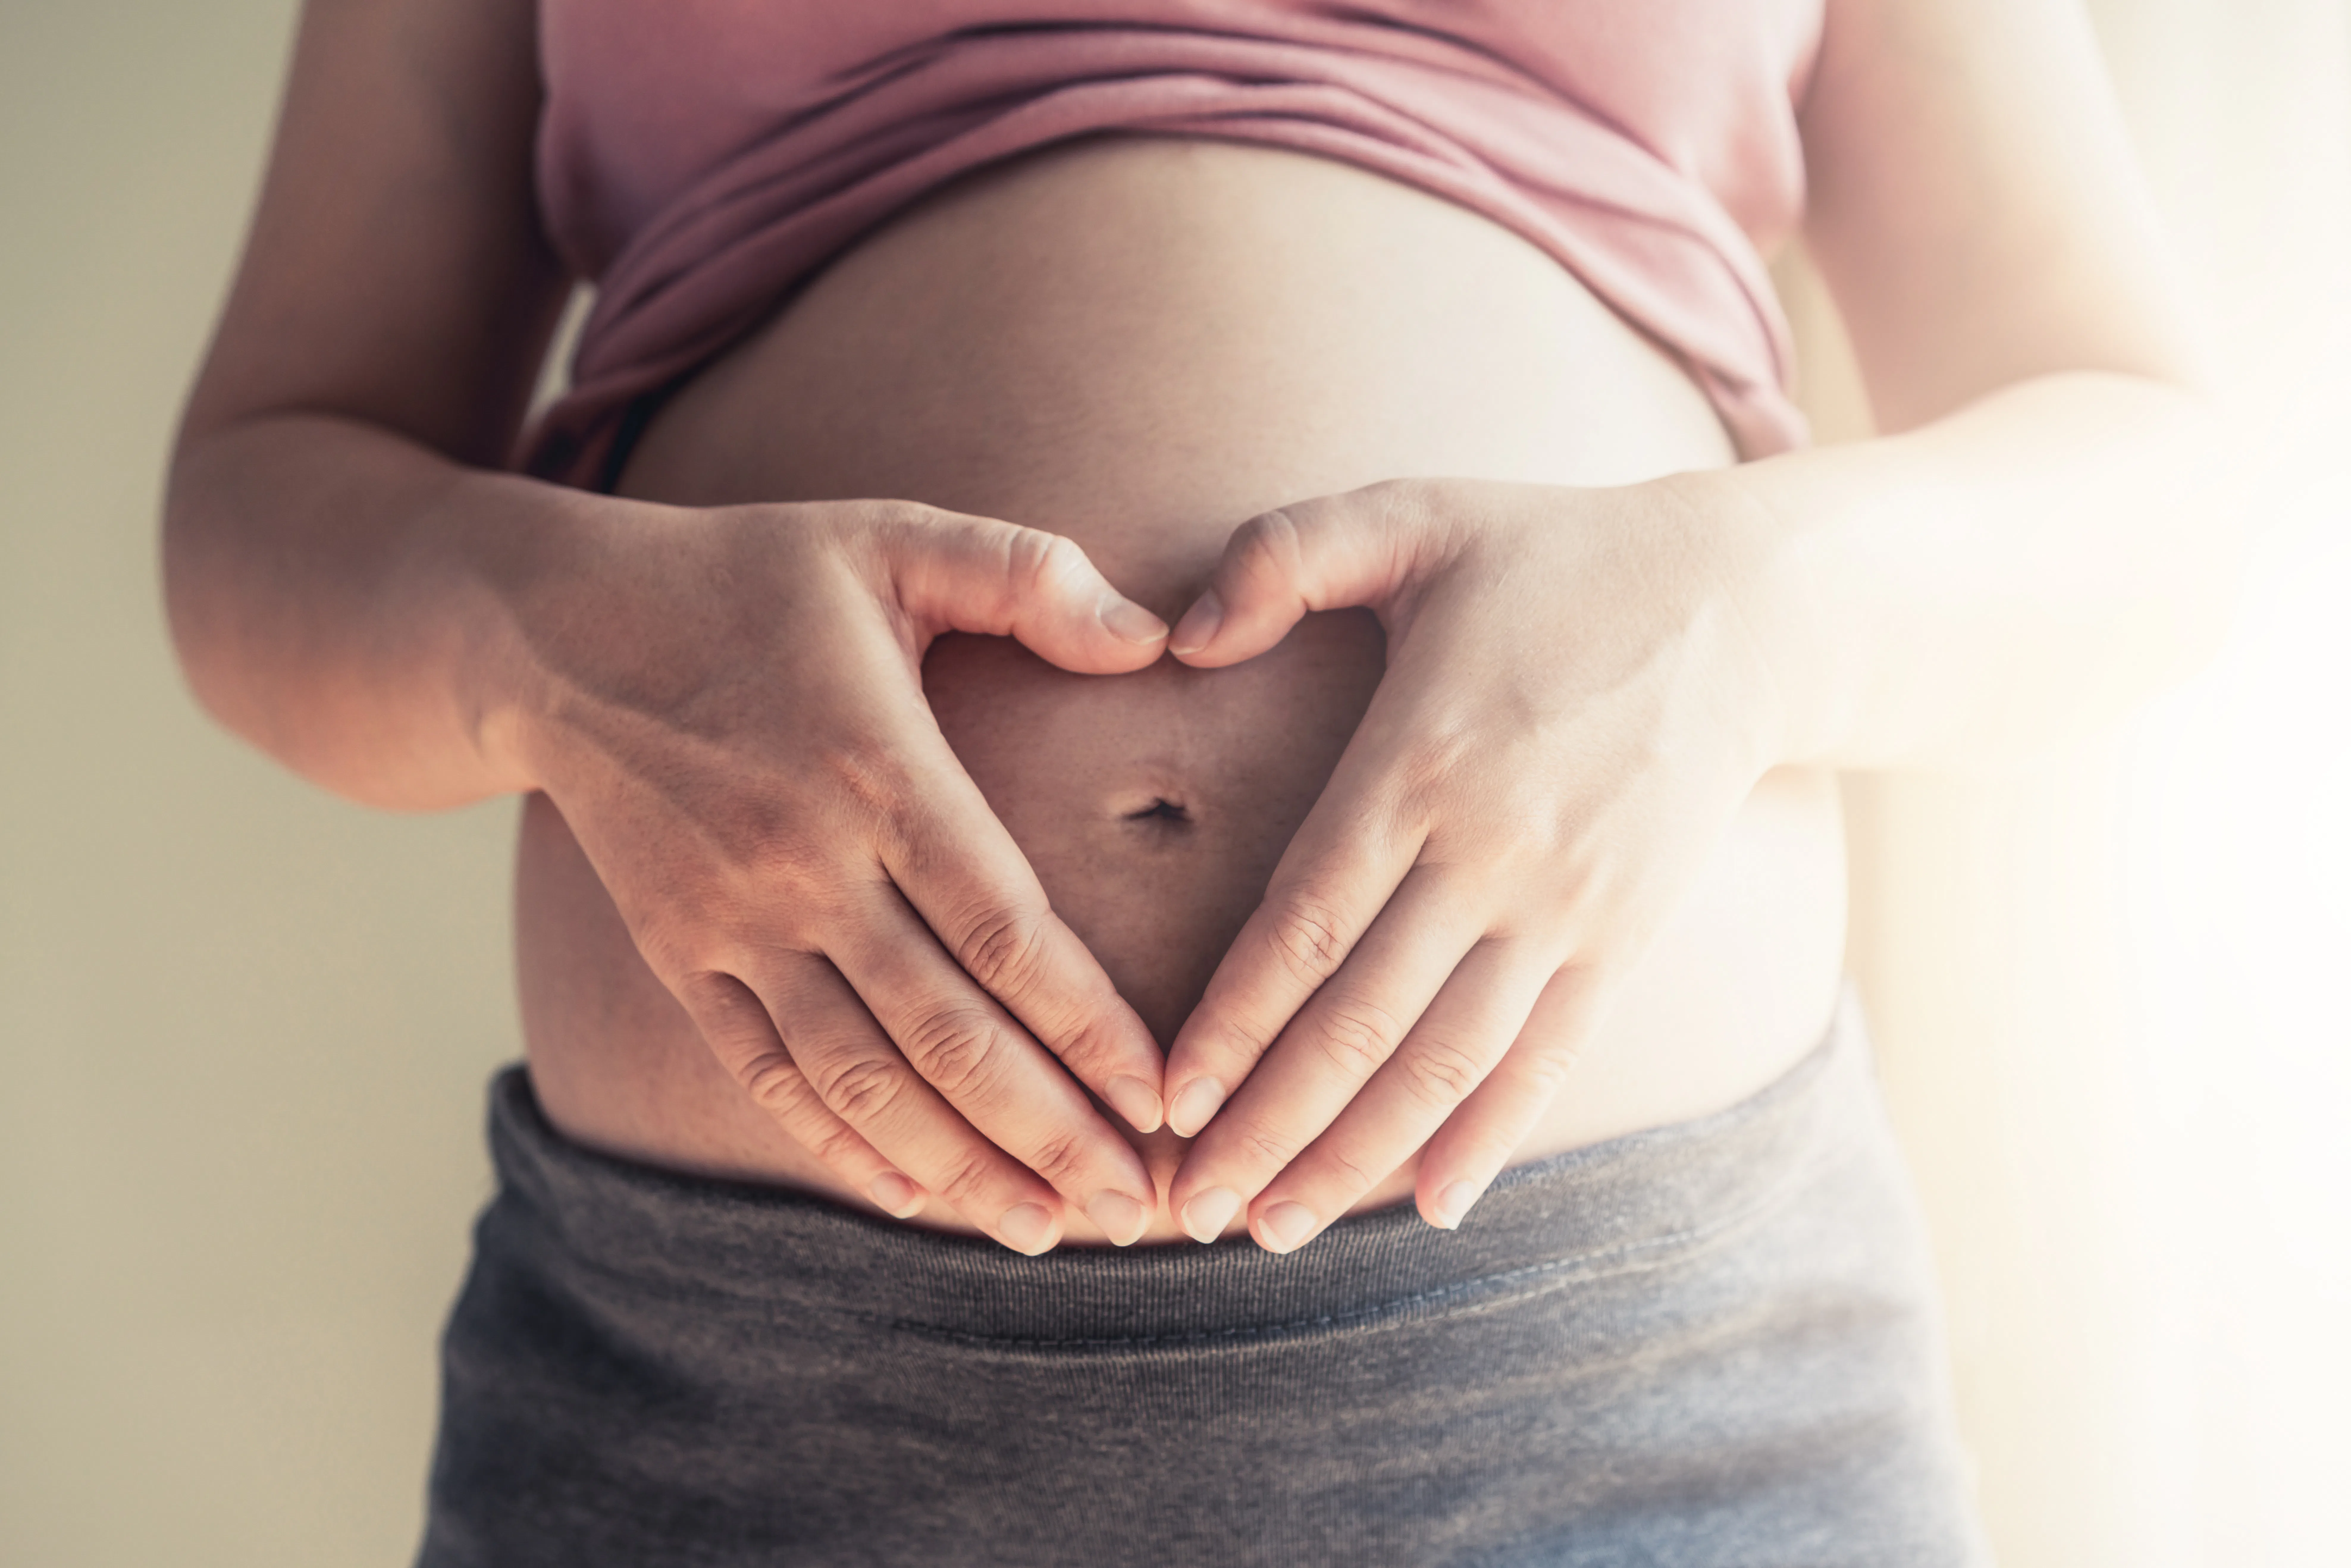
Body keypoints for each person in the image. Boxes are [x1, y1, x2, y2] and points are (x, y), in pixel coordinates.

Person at [163, 0, 2231, 1562]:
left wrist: (1739, 614)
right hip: (741, 1412)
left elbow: (2155, 485)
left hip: (1636, 1396)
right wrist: (552, 642)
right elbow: (266, 499)